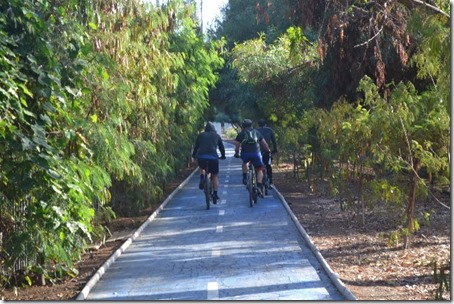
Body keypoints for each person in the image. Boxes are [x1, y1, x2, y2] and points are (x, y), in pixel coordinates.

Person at [233, 119, 271, 197]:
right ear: (251, 125)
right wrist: (268, 151)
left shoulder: (241, 134)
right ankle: (260, 185)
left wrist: (237, 153)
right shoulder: (256, 132)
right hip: (256, 154)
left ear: (243, 126)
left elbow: (237, 146)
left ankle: (244, 177)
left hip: (245, 154)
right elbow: (264, 144)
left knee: (244, 163)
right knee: (259, 169)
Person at [192, 122, 226, 203]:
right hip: (213, 158)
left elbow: (196, 147)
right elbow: (221, 147)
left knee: (200, 167)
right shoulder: (216, 136)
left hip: (202, 158)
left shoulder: (200, 135)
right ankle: (215, 194)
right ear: (213, 129)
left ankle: (202, 177)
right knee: (215, 176)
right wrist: (223, 156)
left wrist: (194, 155)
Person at [257, 118, 277, 187]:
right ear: (265, 124)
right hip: (267, 151)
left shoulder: (256, 131)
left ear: (258, 125)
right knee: (268, 165)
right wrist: (275, 149)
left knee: (257, 166)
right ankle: (270, 181)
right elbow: (274, 141)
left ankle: (258, 181)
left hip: (258, 151)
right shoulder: (269, 130)